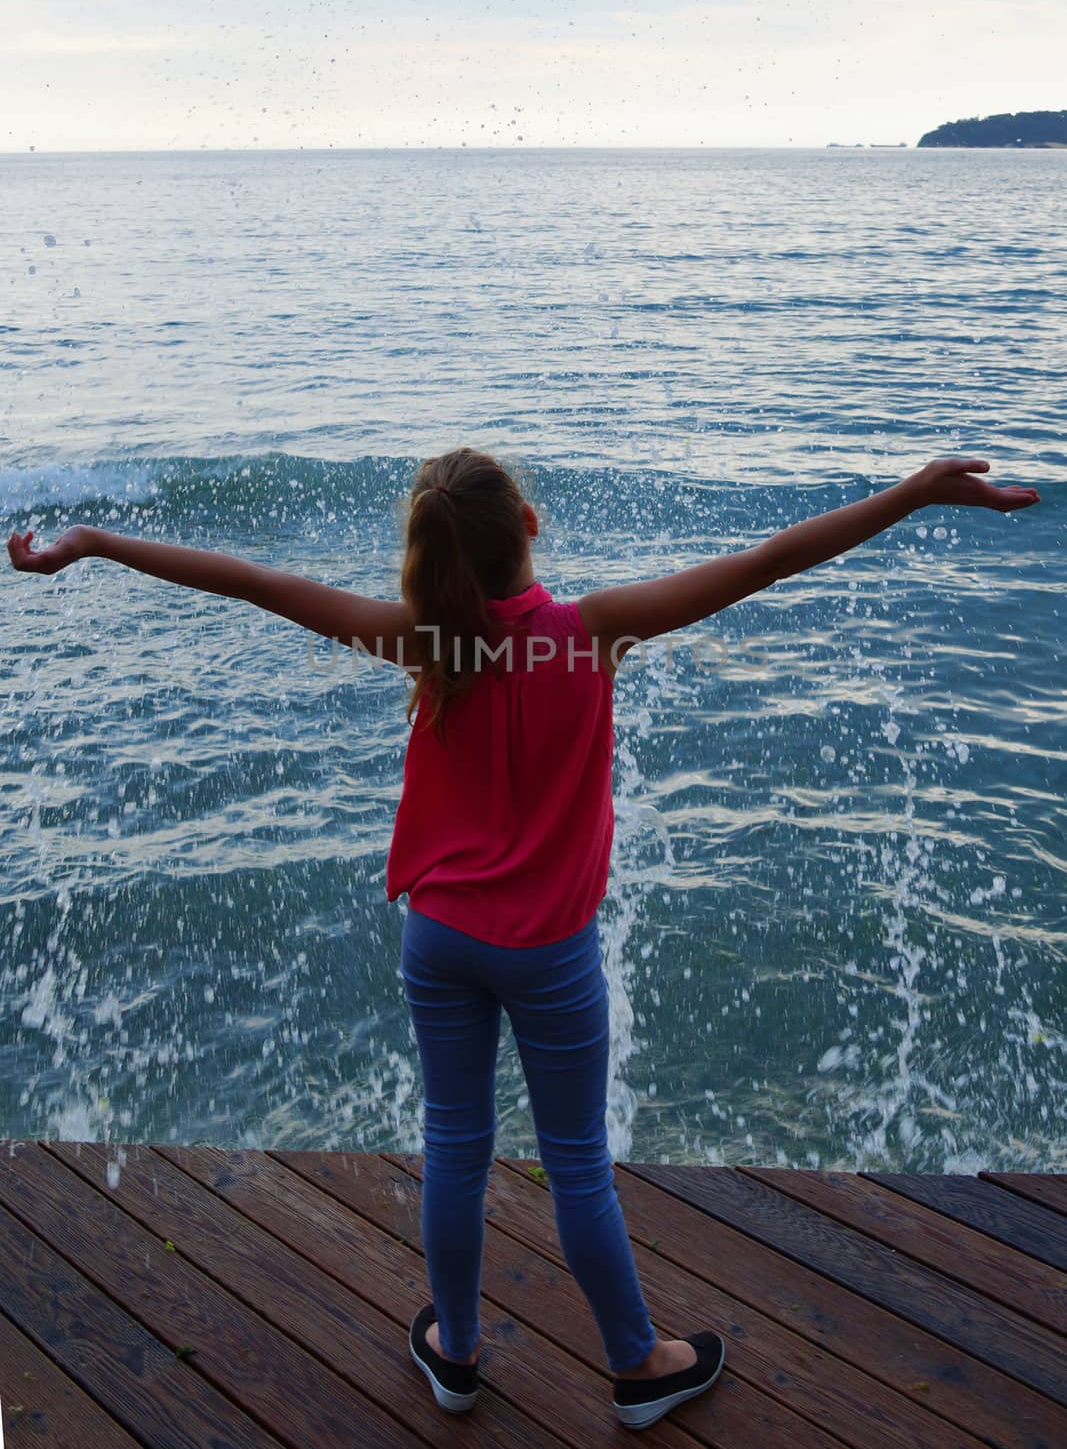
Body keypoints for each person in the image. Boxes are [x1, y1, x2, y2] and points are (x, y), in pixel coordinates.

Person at [7, 449, 1039, 1430]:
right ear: (529, 529)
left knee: (455, 1142)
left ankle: (453, 1350)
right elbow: (767, 560)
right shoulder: (590, 634)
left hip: (438, 938)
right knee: (576, 1159)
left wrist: (97, 540)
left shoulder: (424, 643)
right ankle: (635, 1364)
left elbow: (252, 582)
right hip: (547, 953)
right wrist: (908, 494)